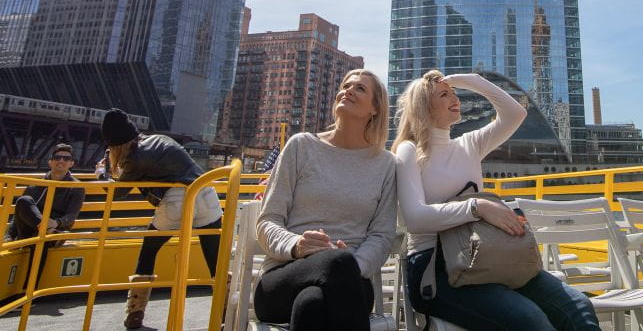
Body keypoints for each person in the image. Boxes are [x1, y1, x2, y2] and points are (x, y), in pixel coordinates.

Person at [394, 70, 600, 331]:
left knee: (578, 306)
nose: (455, 97)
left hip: (490, 258)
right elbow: (414, 217)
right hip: (436, 272)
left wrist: (471, 81)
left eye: (455, 93)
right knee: (529, 319)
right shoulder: (409, 150)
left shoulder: (469, 143)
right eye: (444, 94)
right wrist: (477, 207)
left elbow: (516, 114)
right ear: (423, 105)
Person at [255, 69, 397, 331]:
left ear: (375, 109)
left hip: (352, 279)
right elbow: (267, 222)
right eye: (345, 85)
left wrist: (352, 264)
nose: (348, 90)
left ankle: (341, 264)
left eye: (360, 88)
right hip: (283, 277)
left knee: (312, 304)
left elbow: (382, 235)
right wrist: (297, 245)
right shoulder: (301, 146)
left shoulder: (386, 164)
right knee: (336, 263)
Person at [96, 109, 224, 329]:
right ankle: (225, 313)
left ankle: (135, 313)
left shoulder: (135, 158)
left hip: (179, 199)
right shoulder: (160, 139)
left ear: (115, 145)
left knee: (148, 251)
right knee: (215, 259)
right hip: (206, 193)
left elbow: (116, 192)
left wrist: (101, 174)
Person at [3, 143, 85, 287]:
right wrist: (9, 235)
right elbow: (20, 212)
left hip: (54, 230)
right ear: (50, 161)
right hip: (38, 229)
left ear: (71, 163)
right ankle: (46, 229)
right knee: (24, 200)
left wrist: (57, 223)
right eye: (57, 157)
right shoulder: (35, 184)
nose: (61, 161)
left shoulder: (77, 187)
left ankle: (28, 291)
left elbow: (72, 215)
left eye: (66, 159)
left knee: (41, 241)